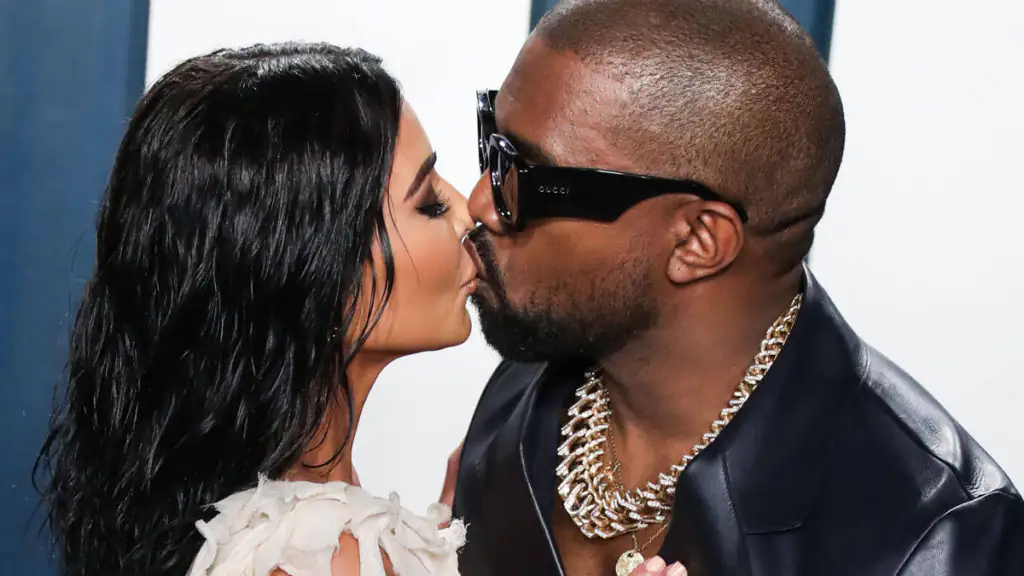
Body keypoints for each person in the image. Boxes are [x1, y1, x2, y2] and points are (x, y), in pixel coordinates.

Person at [453, 1, 1024, 575]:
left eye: (531, 177)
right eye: (492, 148)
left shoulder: (936, 537)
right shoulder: (527, 385)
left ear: (698, 240)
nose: (481, 202)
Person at [35, 43, 475, 576]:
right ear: (317, 268)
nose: (468, 212)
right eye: (429, 203)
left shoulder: (272, 528)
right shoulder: (319, 558)